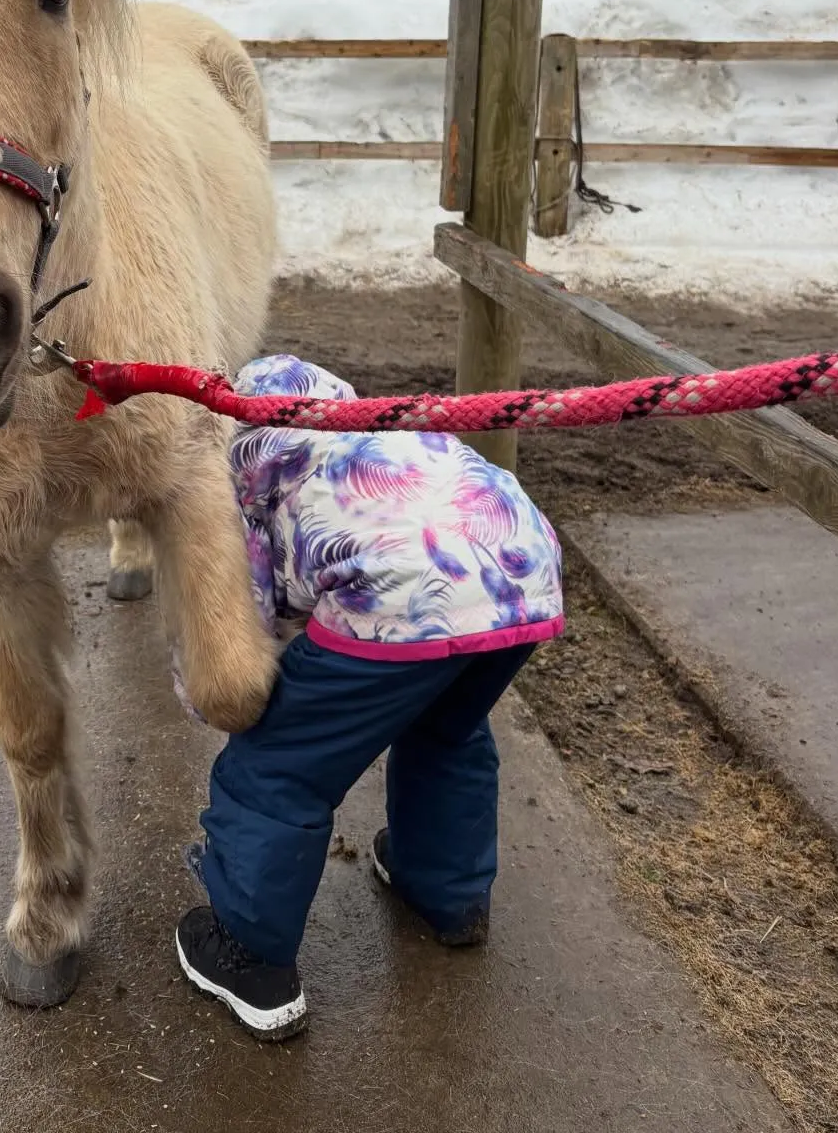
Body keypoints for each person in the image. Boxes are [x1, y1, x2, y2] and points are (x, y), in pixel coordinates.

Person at [175, 354, 563, 1040]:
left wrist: (204, 691)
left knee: (279, 765)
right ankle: (447, 893)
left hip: (400, 597)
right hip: (524, 573)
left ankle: (251, 958)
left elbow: (244, 625)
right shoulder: (381, 433)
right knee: (447, 729)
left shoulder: (244, 482)